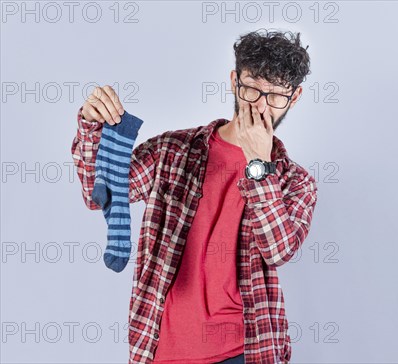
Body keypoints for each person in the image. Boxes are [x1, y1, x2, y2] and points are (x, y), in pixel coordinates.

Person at [71, 29, 317, 364]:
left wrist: (259, 165)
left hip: (243, 351)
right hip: (161, 347)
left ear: (295, 96)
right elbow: (99, 195)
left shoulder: (296, 181)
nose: (260, 105)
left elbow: (278, 250)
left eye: (275, 95)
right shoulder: (173, 150)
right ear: (235, 80)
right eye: (252, 89)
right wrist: (90, 125)